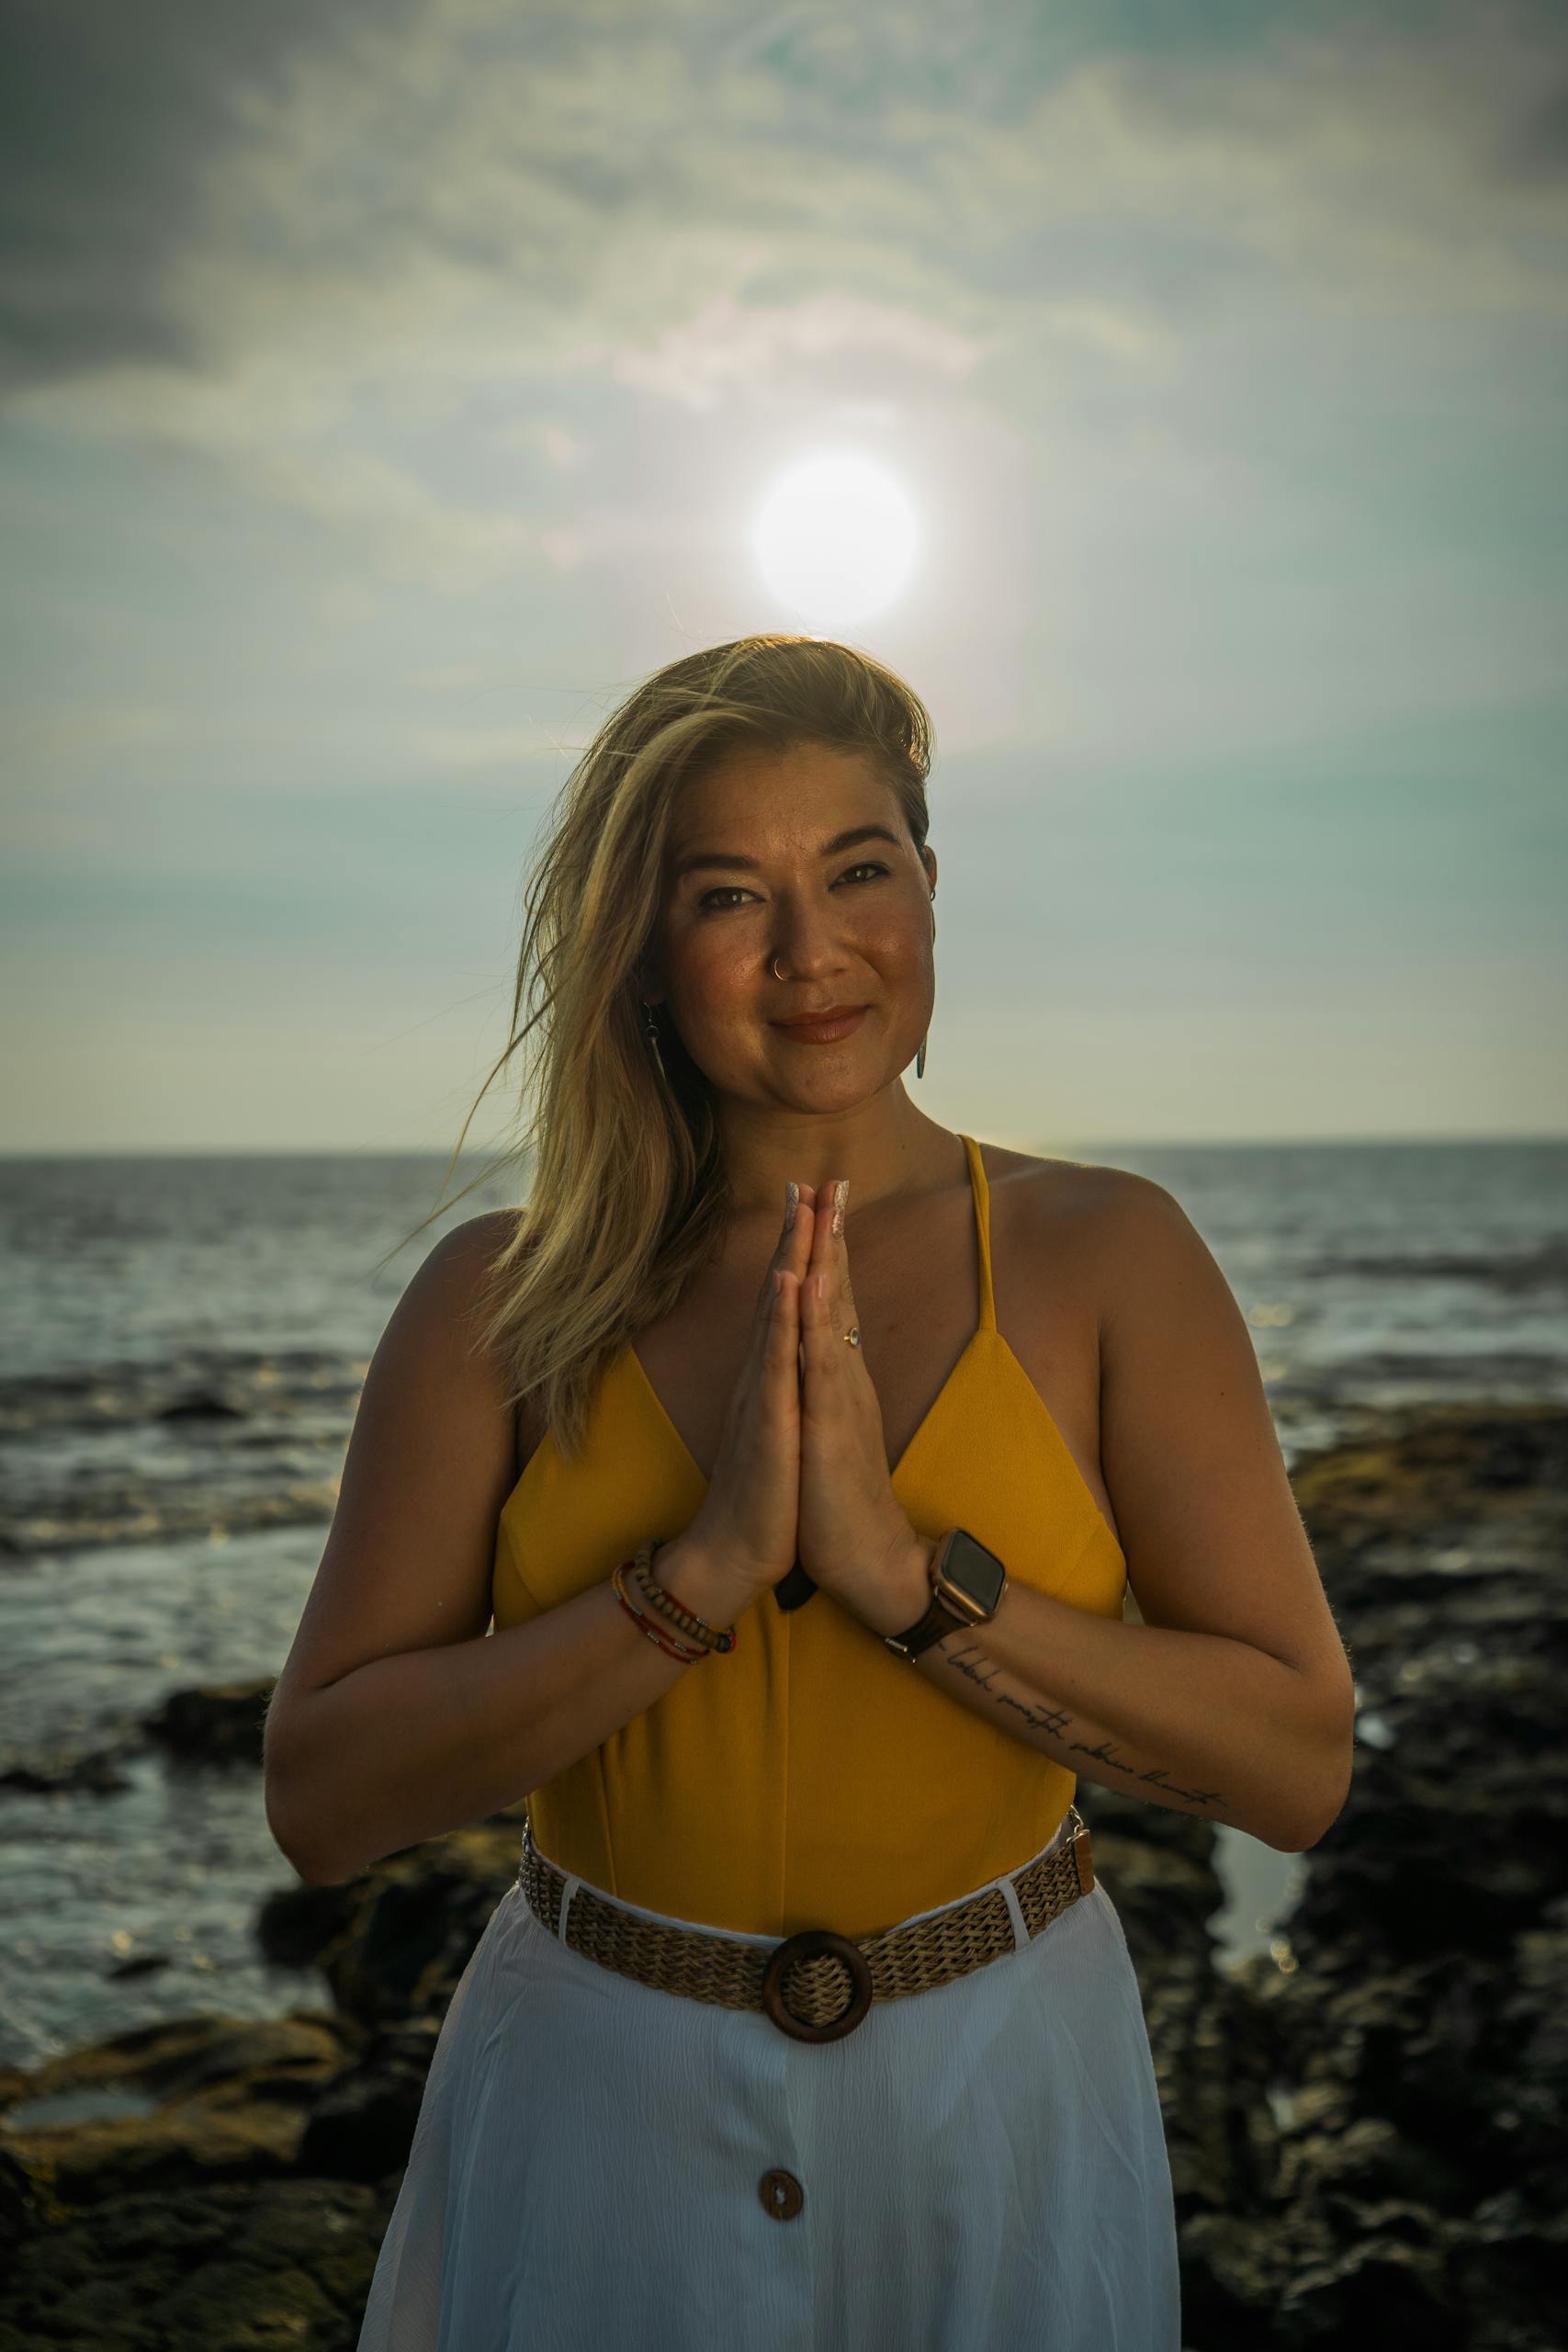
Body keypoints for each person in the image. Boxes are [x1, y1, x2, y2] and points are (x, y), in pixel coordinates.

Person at [263, 634, 1355, 2348]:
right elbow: (324, 1798)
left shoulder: (1107, 1257)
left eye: (860, 868)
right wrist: (690, 1585)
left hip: (1004, 2095)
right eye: (726, 895)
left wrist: (911, 1583)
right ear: (642, 946)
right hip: (597, 2105)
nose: (811, 950)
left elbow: (1294, 1767)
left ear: (929, 888)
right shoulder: (502, 1299)